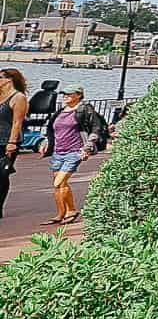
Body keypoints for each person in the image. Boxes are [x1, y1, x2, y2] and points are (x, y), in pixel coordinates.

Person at [39, 86, 108, 224]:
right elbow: (52, 130)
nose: (65, 96)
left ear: (78, 95)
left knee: (58, 182)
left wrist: (87, 147)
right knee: (60, 185)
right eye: (64, 94)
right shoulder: (60, 112)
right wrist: (46, 142)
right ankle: (62, 213)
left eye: (69, 94)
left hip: (74, 151)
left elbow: (96, 128)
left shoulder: (84, 110)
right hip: (58, 151)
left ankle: (71, 210)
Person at [0, 68, 26, 220]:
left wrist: (12, 142)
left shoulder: (18, 98)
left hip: (6, 142)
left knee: (2, 175)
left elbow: (17, 122)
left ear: (8, 80)